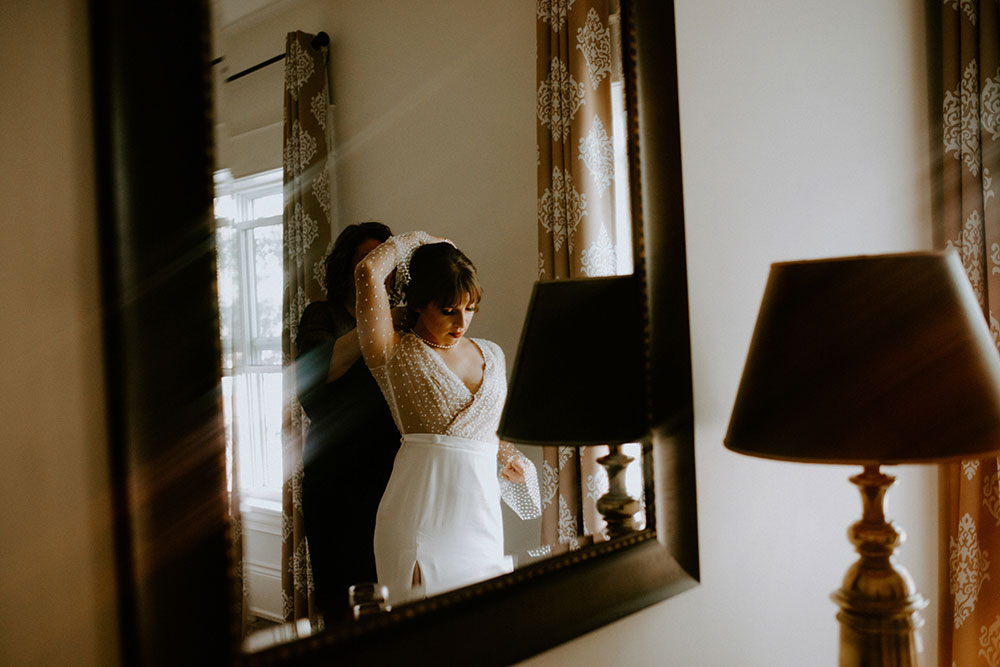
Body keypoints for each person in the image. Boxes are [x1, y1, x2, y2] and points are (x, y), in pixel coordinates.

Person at [354, 232, 532, 605]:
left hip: (479, 516)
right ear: (419, 304)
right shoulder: (392, 351)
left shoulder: (491, 354)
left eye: (470, 308)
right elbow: (368, 271)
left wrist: (506, 455)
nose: (461, 321)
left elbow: (480, 429)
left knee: (482, 628)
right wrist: (420, 239)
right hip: (420, 518)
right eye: (448, 309)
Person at [295, 222, 401, 621]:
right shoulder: (321, 315)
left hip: (388, 470)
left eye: (385, 263)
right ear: (347, 267)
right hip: (335, 472)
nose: (377, 272)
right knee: (341, 592)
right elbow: (314, 381)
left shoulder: (399, 322)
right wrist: (376, 322)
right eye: (366, 262)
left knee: (385, 588)